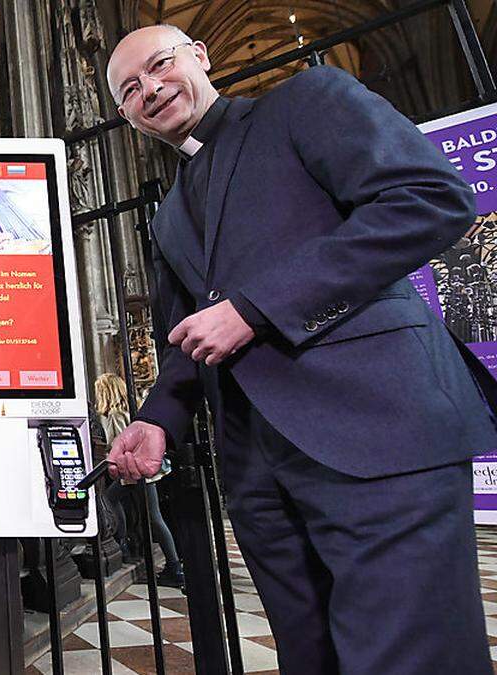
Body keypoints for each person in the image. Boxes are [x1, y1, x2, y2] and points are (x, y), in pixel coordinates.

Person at [104, 24, 497, 673]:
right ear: (126, 116)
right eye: (130, 88)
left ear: (200, 56)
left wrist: (255, 308)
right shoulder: (168, 212)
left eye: (159, 64)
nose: (150, 88)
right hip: (259, 470)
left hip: (376, 430)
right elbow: (188, 339)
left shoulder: (304, 101)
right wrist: (155, 420)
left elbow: (432, 198)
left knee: (412, 655)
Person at [93, 373, 184, 588]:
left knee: (149, 515)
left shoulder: (114, 414)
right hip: (138, 471)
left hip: (134, 470)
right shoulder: (133, 409)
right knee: (128, 506)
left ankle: (172, 565)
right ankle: (131, 544)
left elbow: (114, 442)